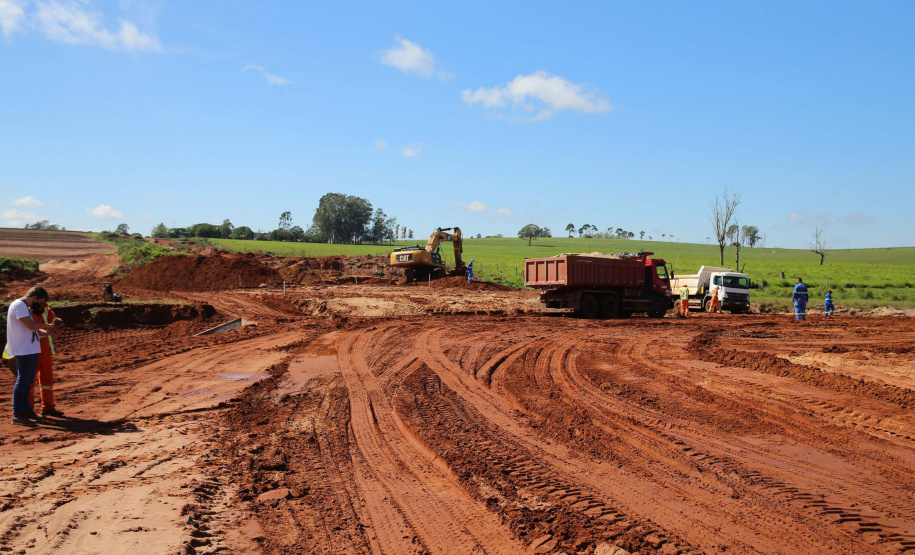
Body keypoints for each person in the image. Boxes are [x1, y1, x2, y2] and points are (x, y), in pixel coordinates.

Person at [5, 286, 57, 427]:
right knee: (23, 381)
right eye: (40, 301)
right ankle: (18, 413)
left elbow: (34, 331)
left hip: (30, 349)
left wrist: (49, 332)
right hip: (23, 350)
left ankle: (27, 411)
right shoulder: (19, 306)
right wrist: (47, 325)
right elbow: (31, 325)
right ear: (35, 297)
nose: (40, 305)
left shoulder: (25, 308)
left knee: (27, 382)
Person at [29, 295, 65, 417]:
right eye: (41, 301)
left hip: (45, 352)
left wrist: (58, 323)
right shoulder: (26, 312)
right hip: (31, 351)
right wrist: (50, 330)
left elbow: (54, 321)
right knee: (29, 383)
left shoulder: (46, 310)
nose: (43, 304)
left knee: (47, 381)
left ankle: (48, 407)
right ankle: (29, 410)